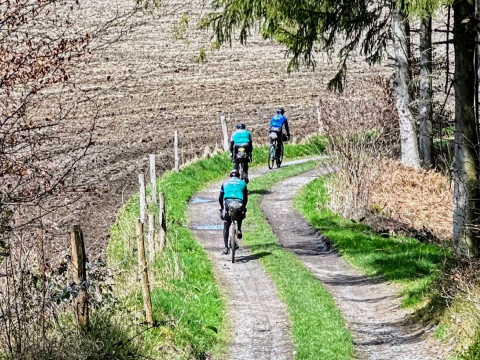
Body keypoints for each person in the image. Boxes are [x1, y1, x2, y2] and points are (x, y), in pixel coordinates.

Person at [218, 169, 248, 255]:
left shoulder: (225, 183)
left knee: (226, 224)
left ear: (230, 176)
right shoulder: (243, 183)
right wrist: (244, 207)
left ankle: (226, 248)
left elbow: (220, 198)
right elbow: (245, 198)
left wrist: (221, 208)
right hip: (239, 202)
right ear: (238, 176)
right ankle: (238, 228)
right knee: (241, 213)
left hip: (228, 203)